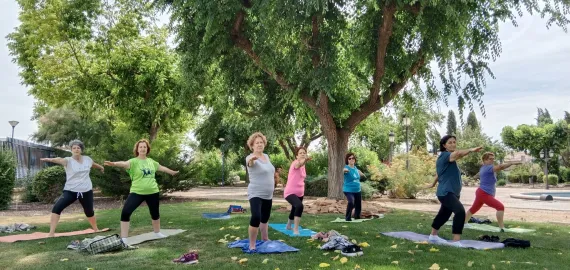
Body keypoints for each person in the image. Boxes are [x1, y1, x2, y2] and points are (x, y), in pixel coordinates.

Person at [104, 139, 179, 245]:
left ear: (147, 149)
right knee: (126, 212)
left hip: (153, 191)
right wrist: (114, 164)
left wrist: (172, 172)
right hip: (137, 192)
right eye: (141, 147)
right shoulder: (133, 162)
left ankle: (157, 232)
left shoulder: (151, 162)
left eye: (144, 147)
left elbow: (162, 168)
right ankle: (124, 238)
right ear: (137, 149)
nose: (143, 148)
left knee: (155, 213)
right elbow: (124, 164)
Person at [40, 140, 104, 237]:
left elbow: (93, 164)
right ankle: (51, 233)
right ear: (71, 150)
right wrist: (50, 160)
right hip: (70, 190)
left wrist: (101, 167)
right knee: (57, 207)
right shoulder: (68, 160)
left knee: (89, 211)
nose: (76, 149)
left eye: (78, 148)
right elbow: (59, 159)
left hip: (86, 190)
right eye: (74, 148)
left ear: (81, 149)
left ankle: (96, 229)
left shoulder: (87, 159)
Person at [429, 135, 482, 247]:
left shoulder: (447, 159)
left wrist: (432, 184)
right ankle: (456, 240)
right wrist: (471, 150)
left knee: (444, 214)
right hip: (446, 192)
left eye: (454, 142)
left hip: (452, 193)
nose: (453, 144)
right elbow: (458, 154)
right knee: (460, 211)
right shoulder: (445, 155)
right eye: (450, 142)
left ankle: (433, 235)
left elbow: (440, 173)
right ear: (444, 145)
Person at [465, 152, 522, 231]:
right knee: (500, 207)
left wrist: (475, 176)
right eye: (490, 159)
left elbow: (480, 173)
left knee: (474, 208)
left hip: (481, 192)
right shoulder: (488, 168)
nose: (492, 160)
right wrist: (511, 163)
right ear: (484, 160)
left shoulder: (484, 167)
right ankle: (502, 228)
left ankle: (464, 223)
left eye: (493, 159)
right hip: (483, 193)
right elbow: (501, 167)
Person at [245, 132, 275, 251]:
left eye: (261, 142)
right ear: (252, 145)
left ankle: (265, 238)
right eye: (256, 143)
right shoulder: (250, 157)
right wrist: (252, 160)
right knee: (256, 216)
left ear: (264, 144)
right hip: (255, 193)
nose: (259, 144)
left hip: (268, 194)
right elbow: (250, 164)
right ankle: (252, 244)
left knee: (265, 218)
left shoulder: (266, 156)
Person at [284, 147, 311, 235]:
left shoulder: (304, 166)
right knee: (299, 206)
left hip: (300, 192)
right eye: (300, 153)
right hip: (290, 192)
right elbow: (299, 165)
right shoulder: (295, 163)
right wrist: (305, 160)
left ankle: (288, 225)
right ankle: (295, 229)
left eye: (304, 153)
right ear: (297, 156)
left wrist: (305, 161)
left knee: (294, 208)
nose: (303, 154)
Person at [343, 153, 366, 221]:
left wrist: (362, 174)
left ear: (355, 160)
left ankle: (357, 217)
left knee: (358, 205)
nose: (351, 159)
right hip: (348, 190)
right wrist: (345, 171)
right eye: (349, 158)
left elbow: (362, 175)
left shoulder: (356, 169)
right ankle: (348, 217)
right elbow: (344, 170)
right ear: (347, 160)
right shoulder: (346, 167)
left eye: (353, 158)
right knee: (351, 202)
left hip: (357, 190)